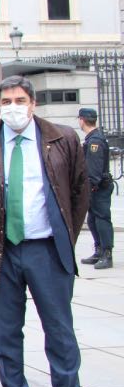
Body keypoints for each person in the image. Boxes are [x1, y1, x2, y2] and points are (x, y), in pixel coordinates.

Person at [0, 77, 89, 387]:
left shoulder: (62, 139)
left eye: (20, 100)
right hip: (3, 251)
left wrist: (65, 235)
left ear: (33, 103)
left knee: (59, 331)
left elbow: (80, 192)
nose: (13, 107)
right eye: (6, 101)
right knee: (6, 333)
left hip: (46, 249)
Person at [77, 108, 113, 270]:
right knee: (92, 220)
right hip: (94, 187)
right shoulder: (92, 138)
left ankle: (107, 254)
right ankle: (98, 250)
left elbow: (95, 168)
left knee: (101, 219)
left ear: (82, 120)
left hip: (98, 188)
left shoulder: (95, 141)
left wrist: (91, 186)